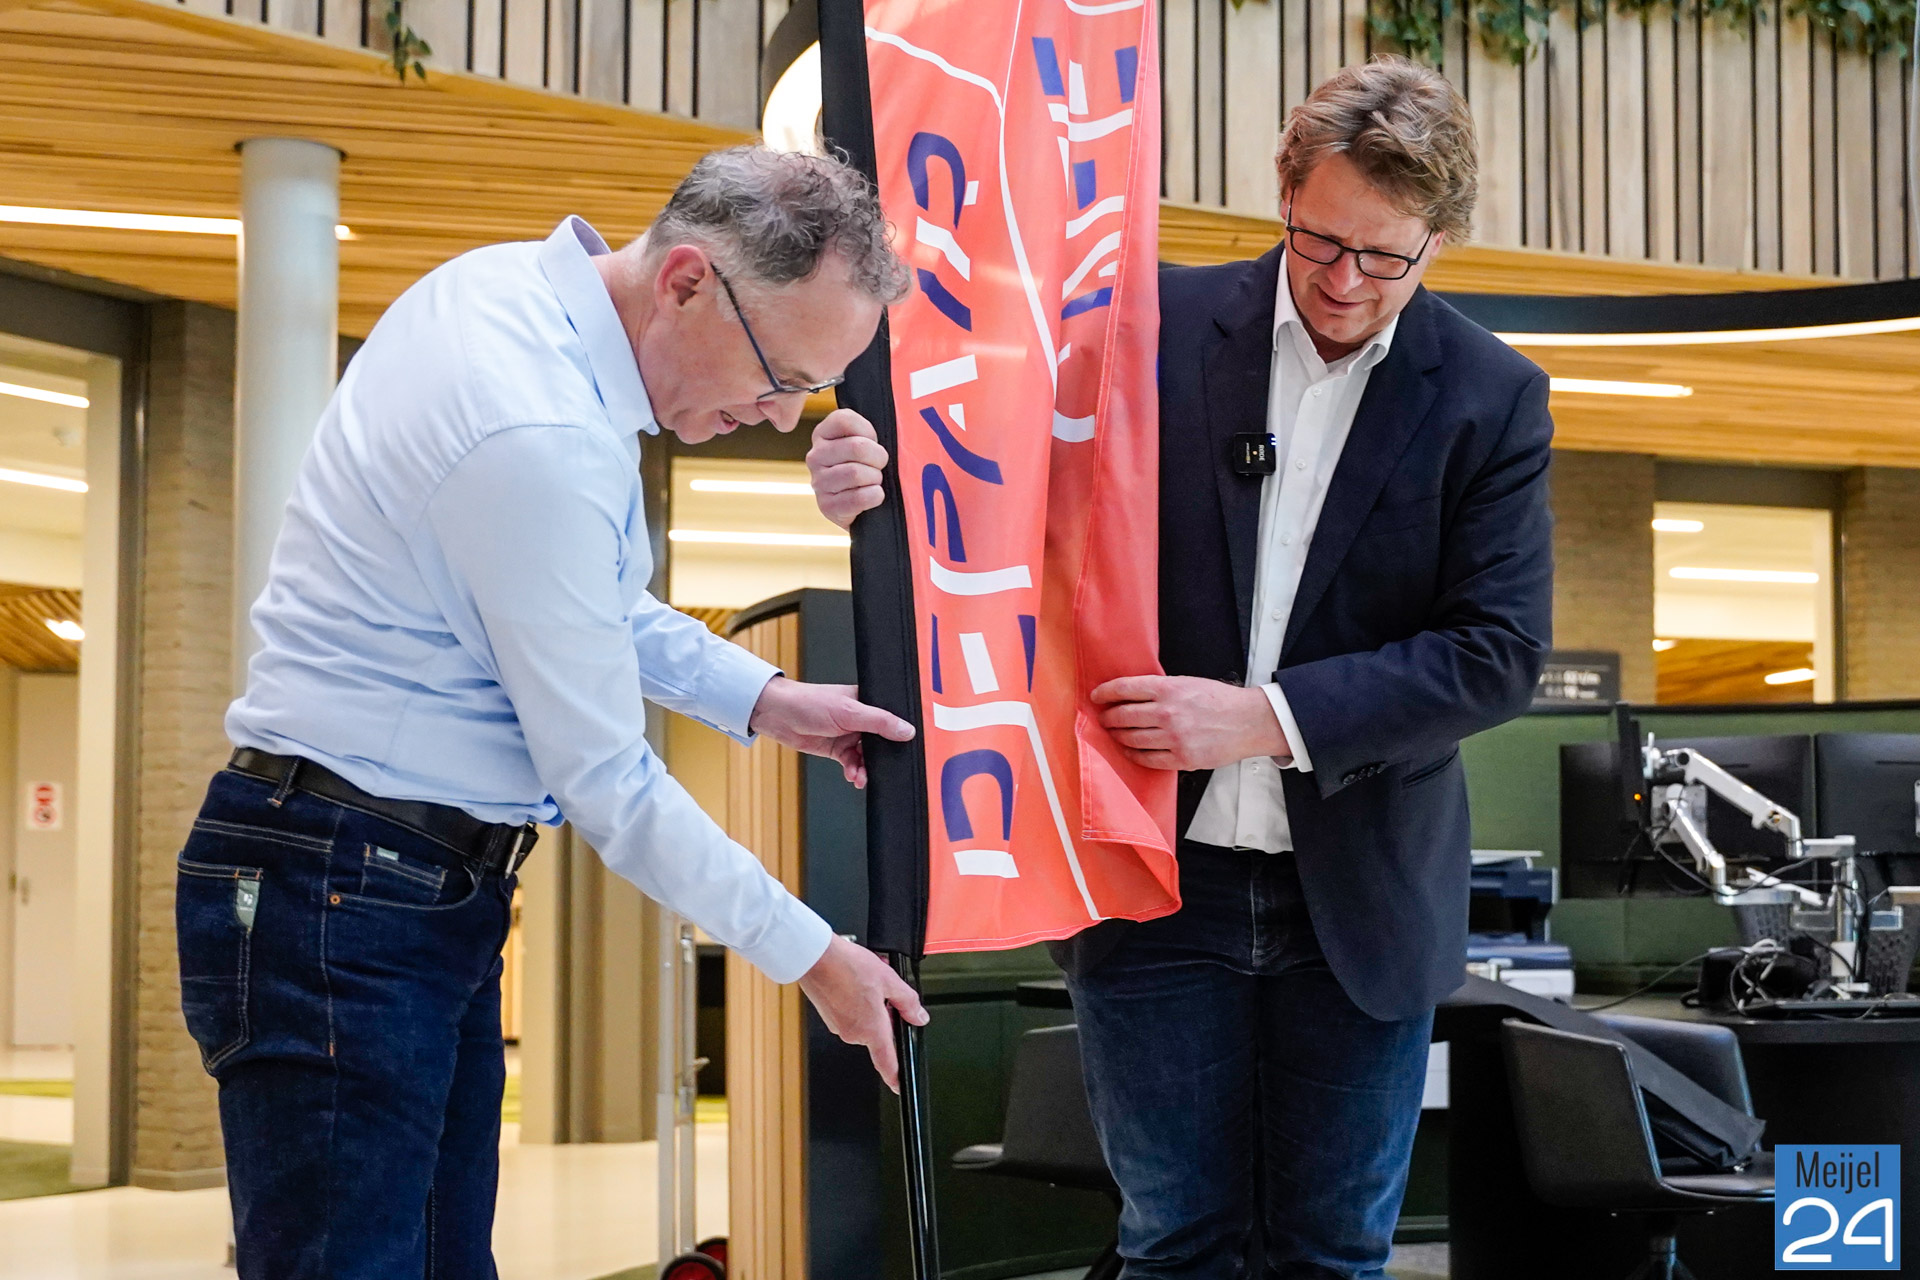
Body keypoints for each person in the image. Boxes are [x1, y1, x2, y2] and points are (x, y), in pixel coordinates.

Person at [809, 57, 1554, 1279]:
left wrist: (1261, 718)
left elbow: (1498, 653)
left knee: (1333, 1253)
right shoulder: (1142, 331)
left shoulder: (1493, 397)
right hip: (1153, 881)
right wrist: (868, 480)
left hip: (1360, 900)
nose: (1345, 282)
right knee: (1173, 1245)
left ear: (1440, 240)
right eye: (1321, 242)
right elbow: (995, 496)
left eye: (1386, 257)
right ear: (1285, 195)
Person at [175, 145, 930, 1280]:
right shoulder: (531, 423)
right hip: (346, 888)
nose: (780, 418)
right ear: (687, 280)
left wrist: (765, 698)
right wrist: (817, 956)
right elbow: (608, 781)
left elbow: (582, 600)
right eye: (781, 375)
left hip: (384, 881)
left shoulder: (507, 300)